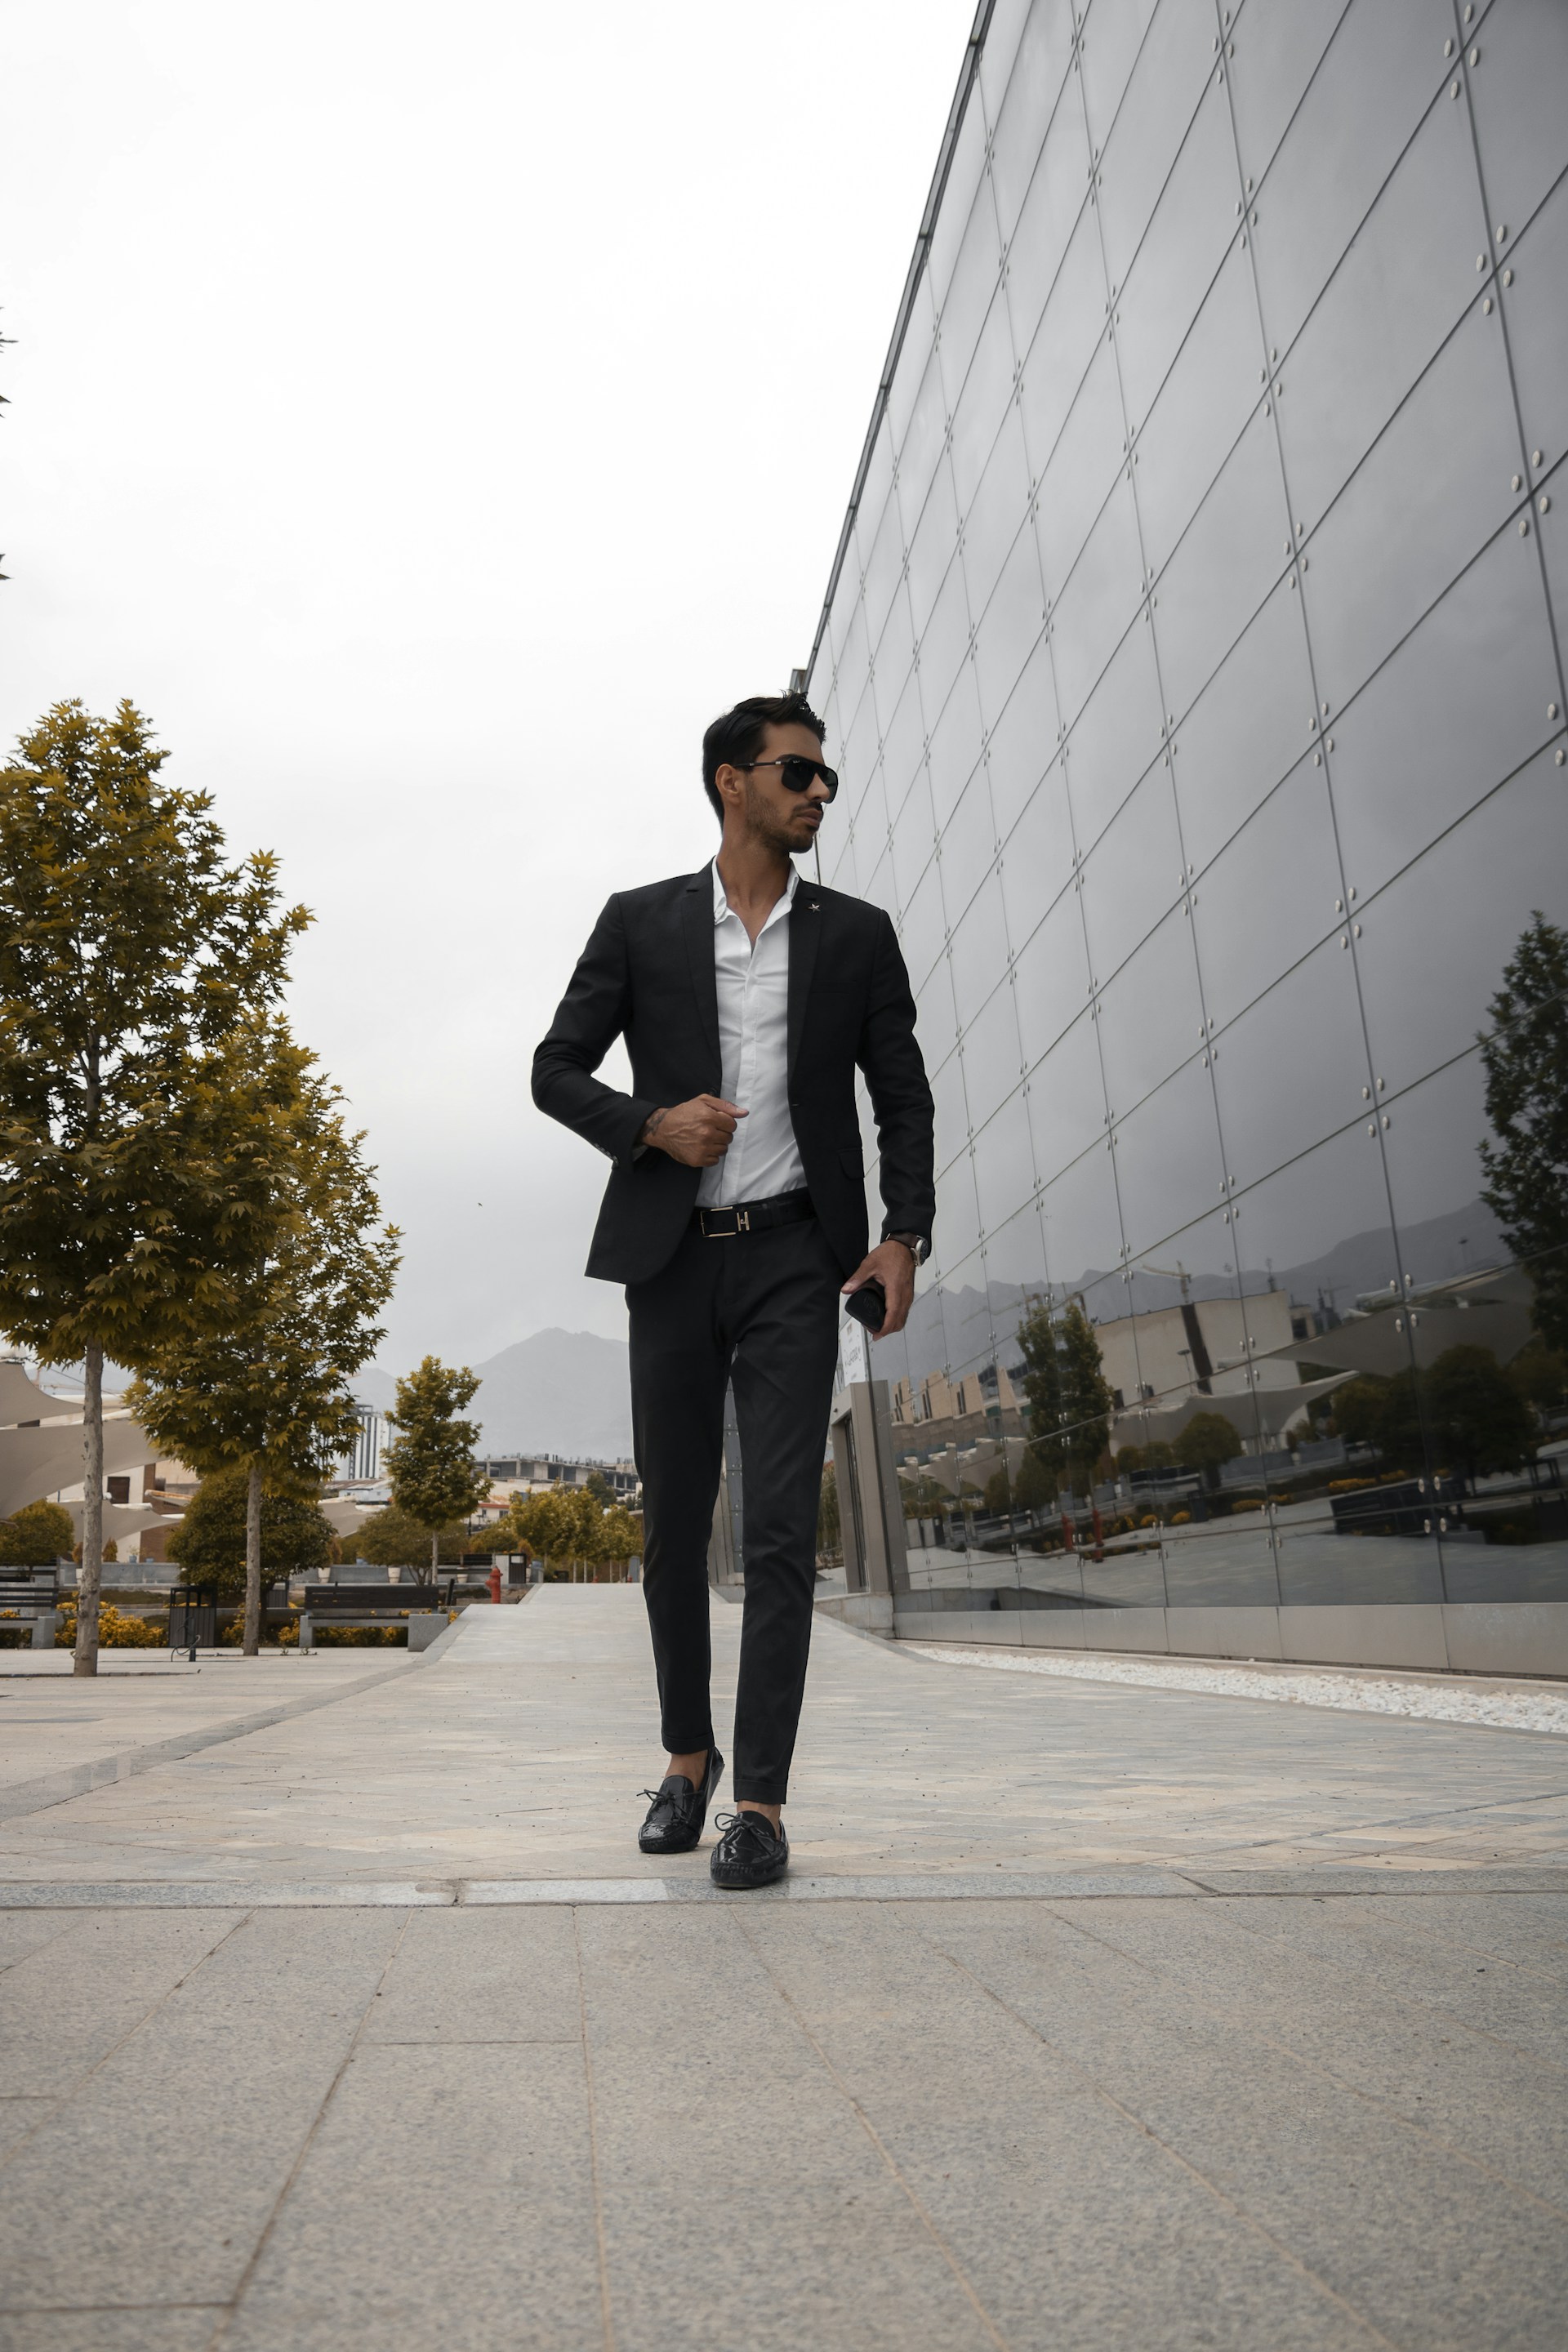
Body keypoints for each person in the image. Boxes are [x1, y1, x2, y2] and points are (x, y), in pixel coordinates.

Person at [532, 692, 934, 1886]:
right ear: (731, 781)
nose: (819, 794)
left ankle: (757, 1802)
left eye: (826, 781)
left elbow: (900, 1097)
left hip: (799, 1263)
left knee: (773, 1533)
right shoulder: (642, 924)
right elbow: (554, 1069)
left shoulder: (857, 936)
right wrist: (650, 1125)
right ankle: (686, 1757)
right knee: (670, 1532)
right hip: (670, 1262)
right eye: (799, 774)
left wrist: (903, 1232)